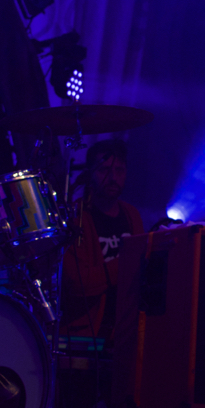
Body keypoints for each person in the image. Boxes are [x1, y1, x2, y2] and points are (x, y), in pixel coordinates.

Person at [61, 138, 144, 345]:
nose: (113, 177)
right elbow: (78, 283)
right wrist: (125, 265)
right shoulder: (76, 217)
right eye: (104, 170)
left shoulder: (131, 214)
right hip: (88, 334)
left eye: (119, 170)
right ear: (89, 174)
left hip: (127, 330)